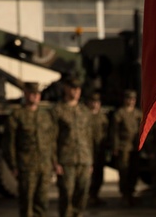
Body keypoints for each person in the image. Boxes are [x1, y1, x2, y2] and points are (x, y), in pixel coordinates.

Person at [2, 82, 56, 217]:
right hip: (26, 166)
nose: (35, 97)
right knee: (27, 203)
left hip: (44, 166)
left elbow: (52, 141)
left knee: (42, 202)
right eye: (32, 94)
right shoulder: (17, 116)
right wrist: (13, 165)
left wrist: (54, 162)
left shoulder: (46, 116)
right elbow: (9, 143)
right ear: (26, 94)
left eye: (37, 94)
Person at [51, 76, 92, 217]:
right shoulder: (58, 110)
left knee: (82, 193)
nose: (76, 91)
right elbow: (52, 138)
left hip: (84, 160)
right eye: (73, 88)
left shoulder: (84, 111)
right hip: (66, 160)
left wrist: (90, 161)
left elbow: (88, 137)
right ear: (66, 89)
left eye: (78, 89)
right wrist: (55, 161)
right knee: (66, 196)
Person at [109, 89, 141, 207]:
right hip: (124, 147)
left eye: (133, 99)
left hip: (135, 147)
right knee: (124, 171)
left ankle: (131, 193)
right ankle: (125, 194)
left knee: (134, 170)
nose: (131, 101)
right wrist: (115, 147)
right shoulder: (120, 114)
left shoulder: (138, 114)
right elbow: (115, 132)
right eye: (129, 99)